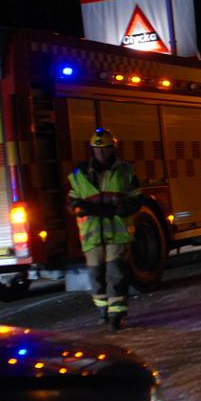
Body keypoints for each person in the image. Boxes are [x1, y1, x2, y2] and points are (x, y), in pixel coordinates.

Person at [67, 128, 142, 331]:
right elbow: (72, 199)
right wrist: (78, 207)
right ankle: (103, 309)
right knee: (96, 276)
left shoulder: (125, 171)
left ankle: (116, 314)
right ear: (92, 149)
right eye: (97, 149)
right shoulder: (80, 174)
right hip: (92, 235)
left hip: (116, 231)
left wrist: (121, 208)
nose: (101, 153)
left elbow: (136, 198)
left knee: (116, 273)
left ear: (112, 149)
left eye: (105, 149)